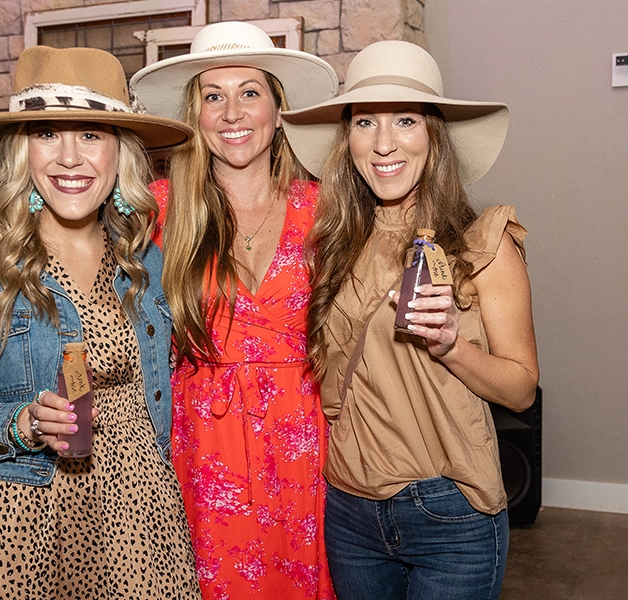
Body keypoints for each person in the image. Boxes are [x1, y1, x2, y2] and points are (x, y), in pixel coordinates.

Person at [0, 45, 202, 600]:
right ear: (20, 151)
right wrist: (18, 425)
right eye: (47, 134)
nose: (69, 158)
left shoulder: (147, 259)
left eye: (90, 135)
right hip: (14, 525)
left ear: (120, 152)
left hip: (141, 522)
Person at [281, 40, 540, 599]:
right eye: (365, 122)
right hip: (348, 510)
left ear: (434, 137)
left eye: (405, 120)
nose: (383, 144)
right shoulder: (330, 242)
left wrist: (452, 345)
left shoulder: (484, 246)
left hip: (451, 514)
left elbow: (521, 390)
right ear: (346, 138)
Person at [130, 21, 339, 600]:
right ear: (195, 116)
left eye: (250, 91)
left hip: (305, 443)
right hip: (199, 446)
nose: (232, 112)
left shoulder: (325, 211)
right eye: (212, 96)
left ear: (277, 108)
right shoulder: (158, 211)